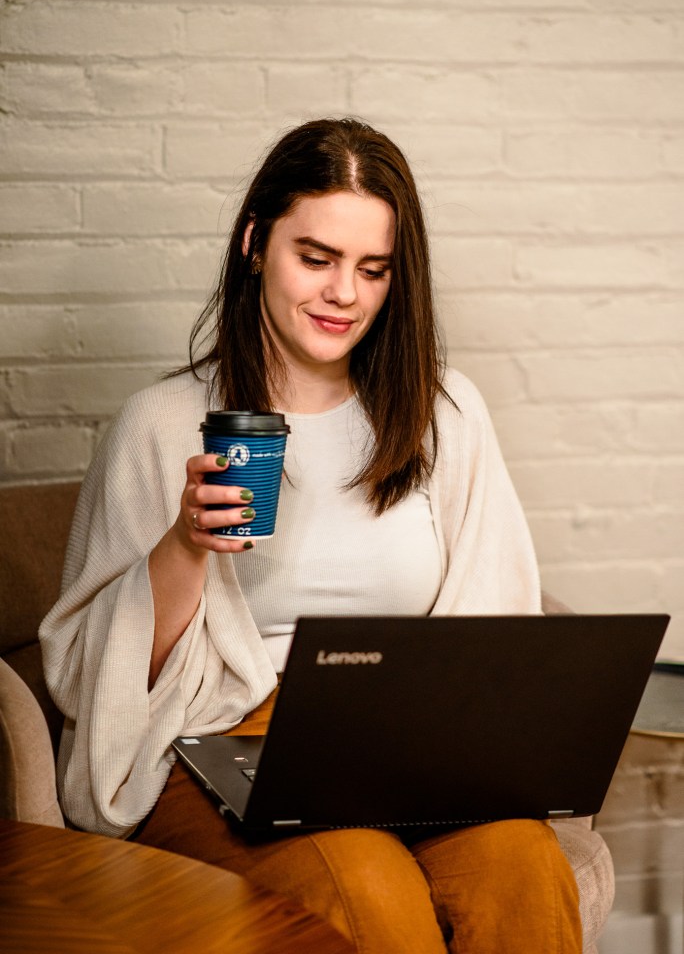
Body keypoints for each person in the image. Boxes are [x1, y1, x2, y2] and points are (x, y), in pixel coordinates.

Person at [40, 118, 585, 953]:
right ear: (256, 242)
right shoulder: (162, 424)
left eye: (373, 269)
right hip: (228, 741)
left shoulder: (445, 416)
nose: (345, 294)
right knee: (363, 884)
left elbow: (493, 621)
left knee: (522, 863)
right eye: (317, 258)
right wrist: (185, 545)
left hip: (406, 746)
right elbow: (92, 679)